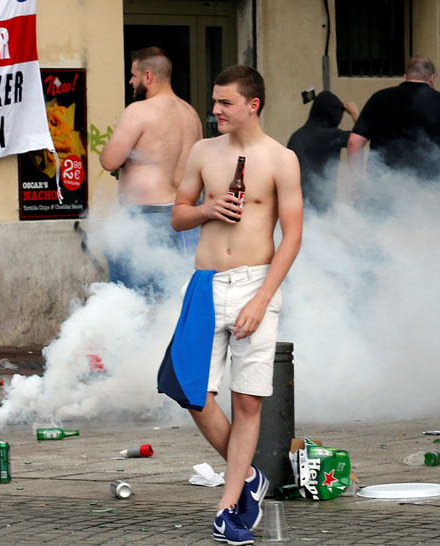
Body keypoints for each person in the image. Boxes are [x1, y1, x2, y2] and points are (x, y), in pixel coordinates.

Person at [161, 65, 303, 545]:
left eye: (224, 103)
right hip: (204, 283)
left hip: (254, 284)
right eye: (214, 101)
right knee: (190, 390)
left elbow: (292, 237)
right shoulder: (203, 151)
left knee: (246, 400)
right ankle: (248, 479)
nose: (215, 110)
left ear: (252, 105)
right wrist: (207, 208)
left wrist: (262, 299)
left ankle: (228, 508)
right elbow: (179, 215)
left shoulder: (282, 159)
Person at [100, 47, 202, 294]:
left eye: (133, 76)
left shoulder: (139, 111)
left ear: (148, 76)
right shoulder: (192, 114)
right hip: (186, 218)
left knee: (133, 303)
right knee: (171, 298)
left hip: (146, 218)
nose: (130, 81)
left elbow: (109, 161)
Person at [347, 56, 440, 181]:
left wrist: (356, 184)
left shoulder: (379, 98)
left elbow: (354, 143)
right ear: (432, 78)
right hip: (428, 189)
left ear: (406, 77)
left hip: (381, 187)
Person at [287, 91, 359, 212]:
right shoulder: (332, 136)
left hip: (295, 206)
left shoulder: (296, 136)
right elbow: (360, 138)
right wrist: (354, 112)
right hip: (321, 207)